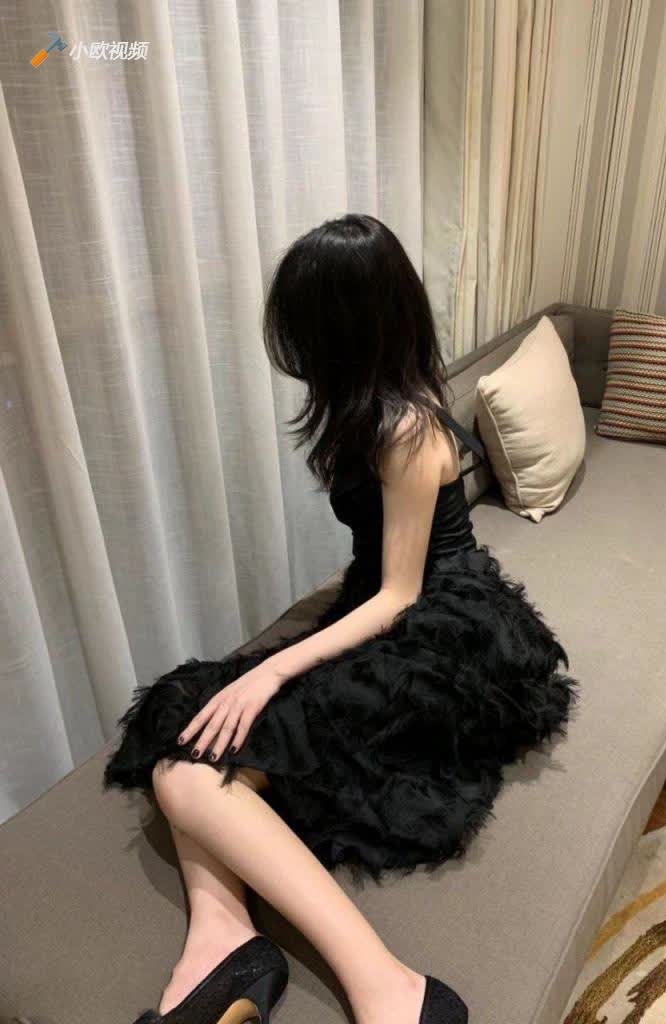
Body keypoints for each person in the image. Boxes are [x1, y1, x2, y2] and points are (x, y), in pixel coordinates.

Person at [103, 213, 578, 1024]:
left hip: (440, 630)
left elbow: (399, 595)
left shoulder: (408, 427)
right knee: (191, 724)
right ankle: (223, 939)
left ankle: (393, 987)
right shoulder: (373, 407)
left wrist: (273, 667)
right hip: (387, 603)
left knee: (188, 770)